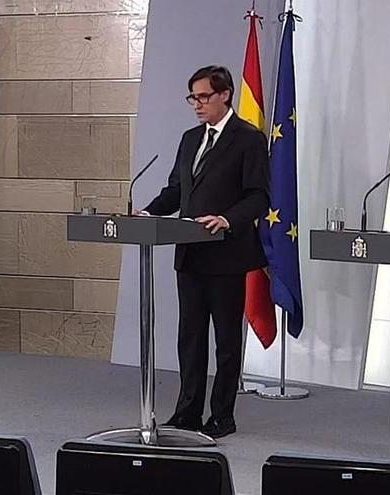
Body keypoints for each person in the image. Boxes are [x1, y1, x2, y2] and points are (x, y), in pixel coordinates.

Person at [135, 65, 269, 439]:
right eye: (192, 97)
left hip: (227, 254)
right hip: (191, 254)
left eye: (204, 96)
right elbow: (177, 191)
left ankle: (222, 415)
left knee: (226, 340)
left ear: (225, 95)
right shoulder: (190, 139)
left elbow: (259, 196)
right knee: (190, 338)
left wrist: (227, 219)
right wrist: (148, 213)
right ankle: (188, 412)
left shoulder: (249, 139)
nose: (197, 104)